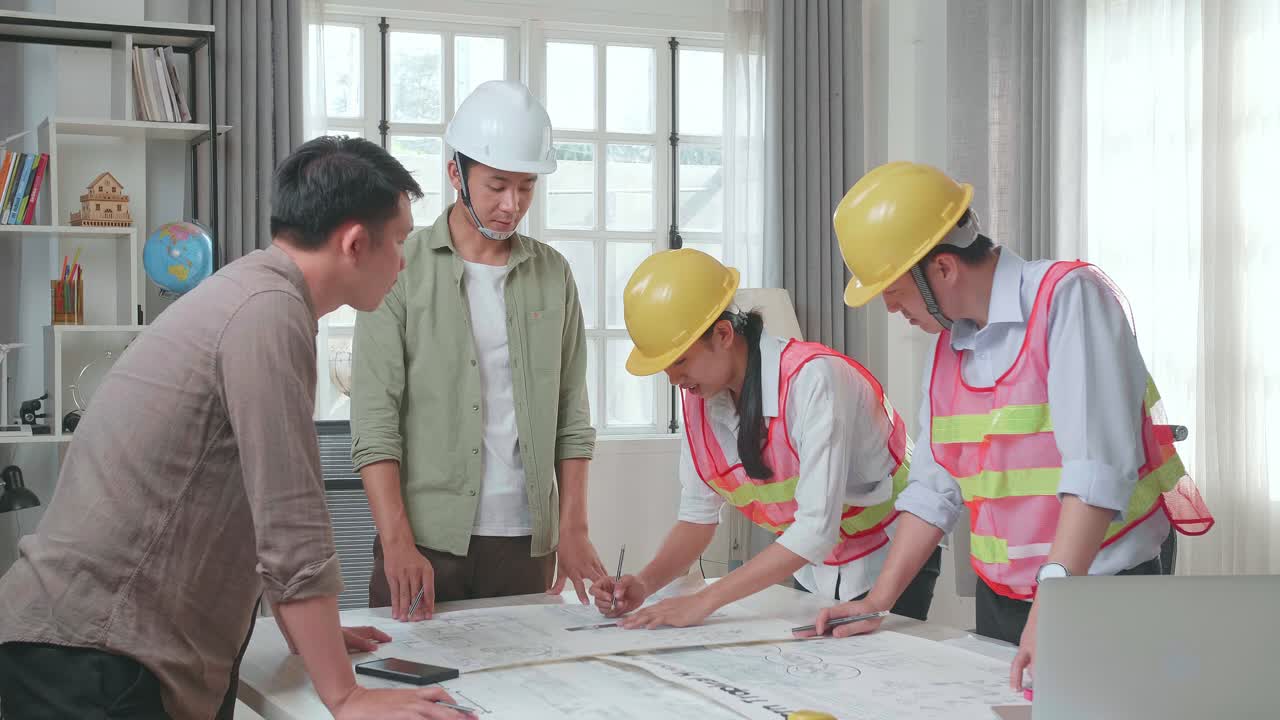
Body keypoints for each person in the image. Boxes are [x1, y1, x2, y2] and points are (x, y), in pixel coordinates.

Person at [0, 136, 468, 719]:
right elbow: (290, 521)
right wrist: (346, 695)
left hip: (84, 645)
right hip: (98, 657)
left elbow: (253, 506)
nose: (404, 261)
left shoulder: (250, 290)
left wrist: (315, 639)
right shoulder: (268, 312)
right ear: (354, 243)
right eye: (399, 240)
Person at [804, 161, 1214, 691]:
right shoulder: (948, 351)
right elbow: (933, 490)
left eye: (893, 288)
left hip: (1097, 592)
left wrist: (1054, 606)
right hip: (1004, 601)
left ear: (943, 268)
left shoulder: (1068, 299)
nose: (888, 305)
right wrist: (877, 600)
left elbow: (1096, 473)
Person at [351, 79, 605, 623]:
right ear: (455, 174)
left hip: (525, 546)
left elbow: (572, 417)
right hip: (423, 544)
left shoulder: (553, 274)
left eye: (526, 187)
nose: (512, 205)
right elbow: (374, 421)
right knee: (406, 676)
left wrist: (573, 529)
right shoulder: (400, 266)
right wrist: (396, 542)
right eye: (496, 186)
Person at [589, 248, 942, 629]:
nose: (674, 379)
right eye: (664, 367)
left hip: (890, 558)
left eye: (680, 361)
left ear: (723, 334)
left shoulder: (813, 380)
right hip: (816, 568)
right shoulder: (701, 401)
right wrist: (644, 583)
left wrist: (703, 601)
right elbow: (696, 519)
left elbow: (815, 530)